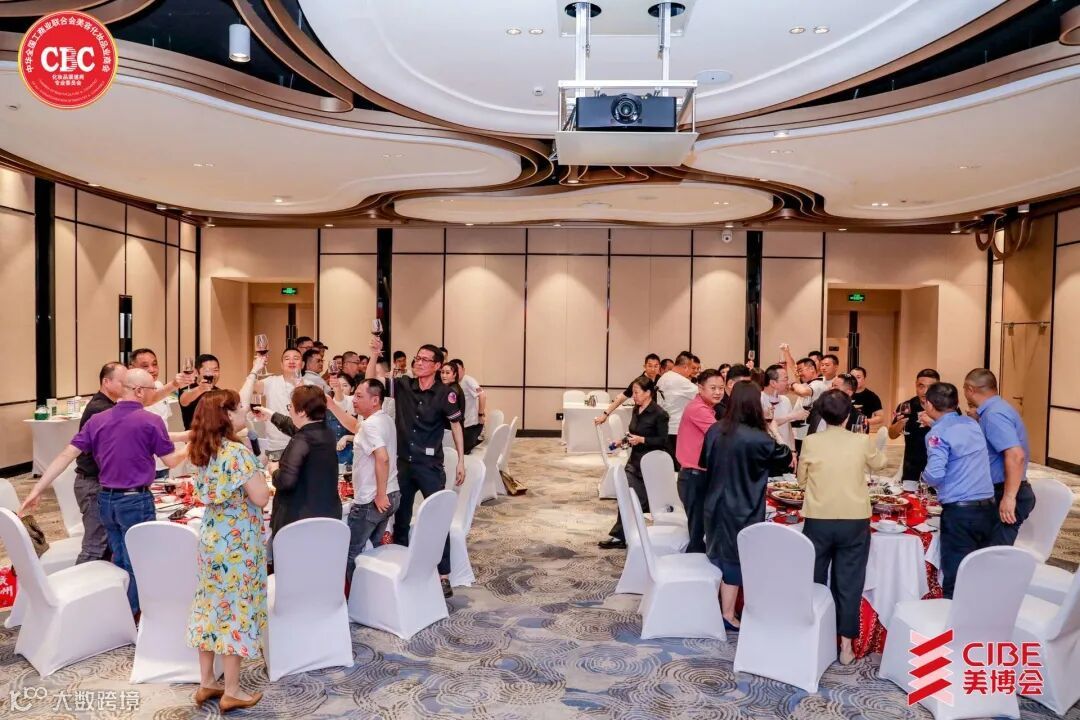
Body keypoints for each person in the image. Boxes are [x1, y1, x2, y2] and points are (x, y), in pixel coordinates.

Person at [21, 368, 188, 614]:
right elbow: (171, 461)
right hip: (135, 501)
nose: (153, 394)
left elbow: (66, 455)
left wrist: (37, 489)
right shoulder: (150, 421)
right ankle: (130, 616)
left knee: (119, 559)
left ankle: (115, 611)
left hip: (106, 502)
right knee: (140, 561)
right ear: (139, 391)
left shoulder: (98, 420)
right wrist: (190, 447)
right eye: (151, 389)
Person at [185, 390, 269, 713]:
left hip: (212, 537)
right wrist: (261, 475)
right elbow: (260, 497)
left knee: (210, 606)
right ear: (227, 415)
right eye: (238, 407)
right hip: (237, 541)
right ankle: (232, 689)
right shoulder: (236, 452)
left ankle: (207, 680)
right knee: (234, 610)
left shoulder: (202, 449)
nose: (244, 410)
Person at [368, 339, 465, 598]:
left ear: (437, 366)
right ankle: (403, 568)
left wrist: (461, 460)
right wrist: (374, 354)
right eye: (417, 358)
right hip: (403, 464)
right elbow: (371, 382)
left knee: (437, 518)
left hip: (430, 466)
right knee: (401, 518)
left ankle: (444, 575)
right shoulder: (403, 386)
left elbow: (456, 426)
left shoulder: (445, 394)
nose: (418, 363)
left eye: (425, 360)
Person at [798, 390, 888, 664]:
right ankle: (846, 646)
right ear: (849, 415)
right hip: (854, 520)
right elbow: (881, 464)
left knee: (813, 579)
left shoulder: (811, 441)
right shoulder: (861, 441)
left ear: (822, 415)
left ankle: (812, 637)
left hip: (818, 519)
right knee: (849, 582)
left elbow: (802, 480)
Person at [701, 382, 793, 629]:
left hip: (714, 503)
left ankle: (716, 607)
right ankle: (727, 614)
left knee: (718, 554)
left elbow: (704, 462)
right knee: (735, 560)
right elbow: (785, 459)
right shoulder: (758, 438)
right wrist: (774, 430)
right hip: (742, 507)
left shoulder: (714, 430)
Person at [921, 382, 997, 598]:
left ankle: (954, 618)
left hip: (961, 513)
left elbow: (935, 474)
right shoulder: (972, 424)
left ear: (929, 404)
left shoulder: (937, 434)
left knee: (955, 577)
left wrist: (923, 478)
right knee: (979, 572)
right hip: (989, 507)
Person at [256, 385, 341, 540]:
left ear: (301, 411)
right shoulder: (326, 432)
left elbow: (286, 481)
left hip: (299, 520)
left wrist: (274, 470)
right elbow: (297, 427)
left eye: (290, 407)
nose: (290, 411)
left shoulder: (302, 439)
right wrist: (270, 415)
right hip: (327, 513)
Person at [962, 368, 1036, 546]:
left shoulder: (994, 415)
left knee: (995, 554)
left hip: (1006, 491)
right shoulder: (996, 409)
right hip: (999, 489)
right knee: (982, 547)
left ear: (970, 389)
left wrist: (1009, 497)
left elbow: (1016, 455)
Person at [599, 377, 669, 549]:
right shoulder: (636, 409)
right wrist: (621, 441)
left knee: (639, 501)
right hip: (634, 462)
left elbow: (663, 441)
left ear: (648, 393)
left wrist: (642, 439)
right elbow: (633, 435)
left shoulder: (660, 414)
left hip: (650, 465)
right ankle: (620, 536)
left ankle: (636, 533)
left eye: (637, 393)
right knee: (626, 496)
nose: (634, 396)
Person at [70, 362, 126, 563]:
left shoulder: (108, 405)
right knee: (95, 547)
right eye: (123, 382)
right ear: (106, 382)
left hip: (97, 483)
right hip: (93, 485)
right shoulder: (100, 409)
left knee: (108, 544)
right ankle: (78, 582)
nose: (127, 386)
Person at [345, 379, 401, 580]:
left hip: (372, 499)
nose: (354, 400)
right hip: (392, 492)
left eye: (359, 396)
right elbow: (355, 426)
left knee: (350, 552)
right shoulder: (385, 419)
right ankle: (374, 590)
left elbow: (382, 458)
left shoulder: (370, 425)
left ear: (375, 400)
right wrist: (332, 404)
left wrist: (380, 494)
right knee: (374, 551)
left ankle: (354, 595)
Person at [675, 369, 724, 553]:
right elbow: (721, 435)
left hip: (696, 476)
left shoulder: (707, 408)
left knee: (700, 530)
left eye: (721, 388)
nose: (718, 392)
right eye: (713, 388)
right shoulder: (698, 409)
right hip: (694, 478)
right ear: (700, 388)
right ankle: (691, 568)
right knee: (697, 535)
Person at [241, 349, 303, 461]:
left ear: (302, 364)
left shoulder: (311, 386)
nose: (291, 361)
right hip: (276, 447)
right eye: (287, 358)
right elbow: (250, 389)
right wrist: (256, 369)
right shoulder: (271, 382)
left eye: (296, 358)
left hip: (303, 446)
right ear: (281, 364)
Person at [888, 369, 941, 483]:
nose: (925, 391)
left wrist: (933, 423)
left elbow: (954, 436)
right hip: (911, 469)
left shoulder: (946, 407)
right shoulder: (906, 406)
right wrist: (900, 424)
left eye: (930, 387)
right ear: (916, 385)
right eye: (921, 386)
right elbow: (892, 435)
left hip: (938, 469)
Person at [782, 345, 829, 452]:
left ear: (812, 369)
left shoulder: (818, 384)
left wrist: (793, 384)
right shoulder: (808, 384)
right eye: (798, 371)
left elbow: (803, 392)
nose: (799, 374)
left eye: (801, 370)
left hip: (809, 433)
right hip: (800, 432)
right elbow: (789, 387)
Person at [656, 352, 698, 470]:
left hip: (665, 426)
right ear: (685, 367)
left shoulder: (663, 377)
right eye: (692, 368)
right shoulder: (680, 381)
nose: (692, 372)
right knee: (679, 466)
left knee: (669, 466)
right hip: (676, 428)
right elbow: (702, 394)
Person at [594, 353, 662, 425]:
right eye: (650, 366)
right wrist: (605, 414)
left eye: (656, 366)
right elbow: (622, 398)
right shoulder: (639, 382)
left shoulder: (661, 380)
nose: (653, 369)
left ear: (659, 367)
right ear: (645, 366)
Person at [761, 364, 807, 451]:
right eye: (785, 379)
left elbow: (789, 428)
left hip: (785, 450)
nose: (788, 383)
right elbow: (766, 424)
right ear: (773, 383)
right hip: (766, 451)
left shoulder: (785, 400)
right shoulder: (759, 399)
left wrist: (793, 450)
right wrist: (792, 416)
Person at [450, 359, 485, 453]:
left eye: (458, 369)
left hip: (471, 425)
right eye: (454, 369)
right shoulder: (455, 383)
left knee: (462, 452)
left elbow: (482, 395)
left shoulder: (468, 380)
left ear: (463, 369)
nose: (456, 372)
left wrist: (480, 415)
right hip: (463, 424)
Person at [179, 354, 220, 430]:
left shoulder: (219, 392)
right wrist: (200, 389)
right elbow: (183, 400)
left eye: (215, 370)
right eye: (207, 370)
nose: (212, 374)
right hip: (194, 436)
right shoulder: (188, 389)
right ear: (196, 372)